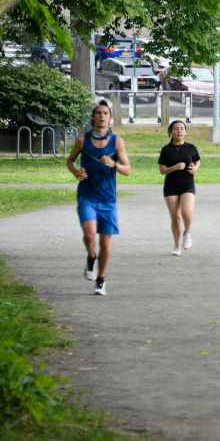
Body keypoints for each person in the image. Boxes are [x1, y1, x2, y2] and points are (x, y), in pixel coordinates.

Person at [66, 100, 131, 296]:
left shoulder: (117, 141)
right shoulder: (82, 140)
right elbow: (70, 161)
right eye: (98, 113)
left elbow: (127, 170)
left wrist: (114, 165)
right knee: (90, 234)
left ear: (110, 117)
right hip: (87, 194)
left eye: (105, 113)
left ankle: (101, 279)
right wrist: (76, 172)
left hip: (108, 199)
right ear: (93, 116)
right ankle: (91, 257)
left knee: (105, 242)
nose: (102, 116)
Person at [158, 120, 201, 256]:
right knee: (175, 217)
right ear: (171, 132)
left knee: (186, 212)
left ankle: (187, 232)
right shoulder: (166, 149)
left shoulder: (191, 147)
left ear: (186, 131)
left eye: (182, 129)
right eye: (176, 129)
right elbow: (162, 170)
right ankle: (176, 245)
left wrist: (195, 168)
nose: (179, 131)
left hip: (187, 184)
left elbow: (197, 161)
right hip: (171, 186)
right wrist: (175, 167)